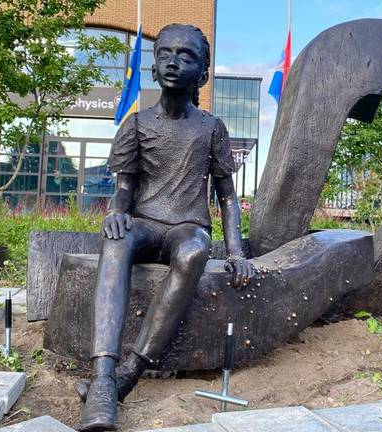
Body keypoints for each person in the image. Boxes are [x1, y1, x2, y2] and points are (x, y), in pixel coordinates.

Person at [79, 23, 253, 432]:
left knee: (194, 250)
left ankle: (130, 373)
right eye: (165, 54)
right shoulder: (136, 125)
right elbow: (124, 190)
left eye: (186, 56)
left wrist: (236, 252)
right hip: (143, 224)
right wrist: (115, 213)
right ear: (154, 67)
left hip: (186, 228)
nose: (174, 62)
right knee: (116, 239)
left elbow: (227, 198)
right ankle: (103, 379)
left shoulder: (211, 128)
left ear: (203, 73)